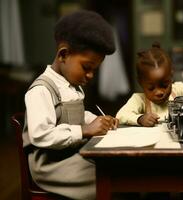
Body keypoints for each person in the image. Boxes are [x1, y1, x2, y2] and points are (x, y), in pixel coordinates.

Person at [22, 10, 118, 200]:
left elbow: (76, 115)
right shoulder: (41, 90)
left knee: (115, 166)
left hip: (71, 156)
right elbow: (41, 135)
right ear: (63, 55)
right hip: (51, 167)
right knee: (109, 176)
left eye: (94, 70)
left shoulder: (71, 86)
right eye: (86, 67)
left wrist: (97, 121)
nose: (91, 75)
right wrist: (84, 131)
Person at [116, 42, 183, 127]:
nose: (159, 92)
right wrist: (140, 118)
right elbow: (121, 115)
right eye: (151, 88)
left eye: (164, 85)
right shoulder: (139, 99)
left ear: (171, 77)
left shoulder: (177, 90)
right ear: (140, 83)